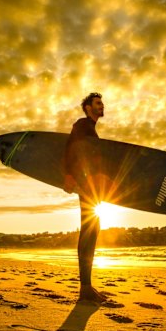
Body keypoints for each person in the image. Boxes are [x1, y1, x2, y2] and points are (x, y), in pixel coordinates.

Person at [63, 92, 112, 303]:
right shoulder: (82, 125)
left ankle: (87, 286)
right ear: (88, 107)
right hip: (85, 183)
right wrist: (70, 176)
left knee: (91, 229)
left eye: (102, 103)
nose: (102, 106)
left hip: (90, 184)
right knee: (89, 231)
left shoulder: (91, 129)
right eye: (98, 103)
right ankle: (85, 288)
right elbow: (72, 149)